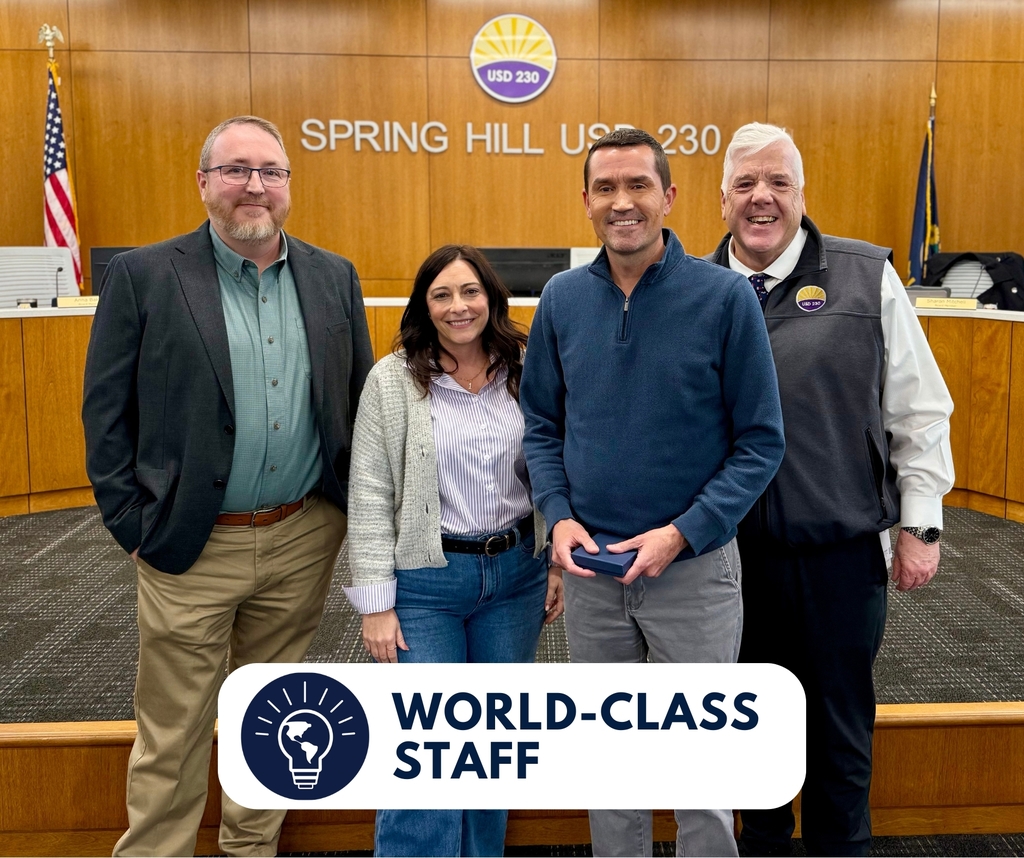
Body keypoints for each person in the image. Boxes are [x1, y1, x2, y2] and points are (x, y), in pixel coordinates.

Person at [82, 115, 373, 857]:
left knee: (272, 719)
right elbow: (105, 412)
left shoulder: (333, 275)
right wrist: (132, 523)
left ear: (288, 187)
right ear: (204, 182)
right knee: (173, 728)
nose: (255, 185)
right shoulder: (145, 275)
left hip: (302, 535)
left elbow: (356, 398)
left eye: (270, 171)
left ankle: (251, 849)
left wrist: (344, 513)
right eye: (237, 169)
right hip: (189, 542)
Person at [520, 128, 786, 857]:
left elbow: (762, 441)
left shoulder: (726, 298)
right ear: (585, 202)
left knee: (700, 770)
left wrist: (682, 533)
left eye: (638, 185)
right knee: (610, 764)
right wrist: (559, 518)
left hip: (692, 573)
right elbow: (541, 426)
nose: (622, 202)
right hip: (593, 574)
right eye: (605, 188)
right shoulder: (561, 300)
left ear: (669, 197)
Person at [707, 122, 954, 857]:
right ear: (721, 200)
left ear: (801, 194)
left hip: (838, 555)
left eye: (778, 182)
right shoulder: (689, 287)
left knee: (839, 729)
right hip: (725, 561)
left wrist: (921, 524)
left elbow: (919, 408)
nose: (762, 198)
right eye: (746, 183)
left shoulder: (864, 275)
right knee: (746, 730)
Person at [343, 244, 564, 857]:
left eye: (470, 292)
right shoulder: (393, 379)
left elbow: (551, 463)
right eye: (441, 294)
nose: (458, 306)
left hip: (516, 577)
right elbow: (368, 492)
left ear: (492, 299)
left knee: (493, 749)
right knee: (428, 755)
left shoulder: (526, 367)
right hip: (425, 584)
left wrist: (553, 564)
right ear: (424, 305)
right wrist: (374, 603)